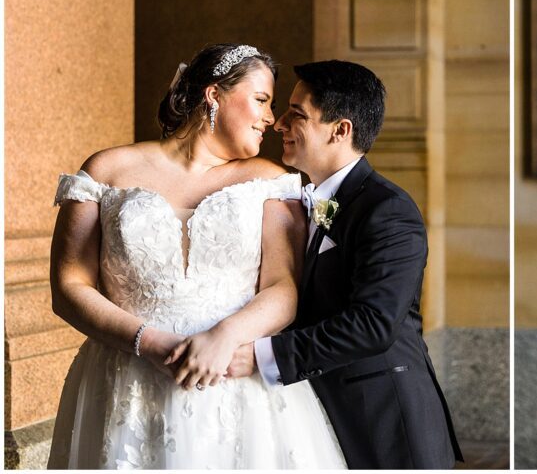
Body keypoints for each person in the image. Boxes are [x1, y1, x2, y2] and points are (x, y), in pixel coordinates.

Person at [48, 43, 346, 469]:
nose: (270, 118)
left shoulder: (271, 182)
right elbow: (69, 286)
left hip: (234, 383)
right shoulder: (106, 171)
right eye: (261, 100)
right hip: (126, 381)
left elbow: (283, 288)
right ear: (214, 95)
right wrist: (149, 343)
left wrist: (223, 337)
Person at [227, 59, 462, 469]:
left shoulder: (388, 210)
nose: (279, 124)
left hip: (386, 423)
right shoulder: (302, 201)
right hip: (321, 417)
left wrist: (265, 356)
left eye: (296, 115)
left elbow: (374, 324)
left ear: (341, 130)